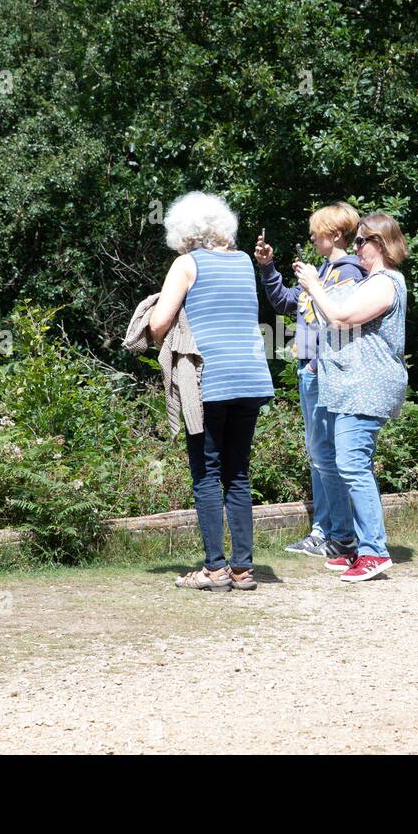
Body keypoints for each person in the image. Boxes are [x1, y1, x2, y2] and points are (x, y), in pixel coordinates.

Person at [149, 192, 274, 592]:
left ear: (183, 230)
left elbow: (158, 323)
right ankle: (242, 569)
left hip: (209, 382)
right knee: (238, 474)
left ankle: (214, 569)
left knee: (206, 474)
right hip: (251, 378)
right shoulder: (243, 263)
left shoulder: (186, 264)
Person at [293, 214, 408, 583]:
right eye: (356, 242)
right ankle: (359, 547)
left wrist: (314, 283)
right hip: (351, 387)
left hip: (367, 387)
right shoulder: (372, 280)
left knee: (354, 465)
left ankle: (374, 551)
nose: (356, 248)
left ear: (381, 243)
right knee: (349, 463)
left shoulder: (387, 283)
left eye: (361, 241)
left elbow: (340, 317)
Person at [253, 202, 367, 561]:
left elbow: (342, 324)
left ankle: (341, 535)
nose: (311, 235)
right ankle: (323, 531)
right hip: (310, 371)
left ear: (335, 234)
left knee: (326, 454)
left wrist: (317, 363)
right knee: (319, 455)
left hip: (323, 372)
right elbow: (286, 302)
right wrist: (268, 267)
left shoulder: (348, 272)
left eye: (316, 230)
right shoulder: (323, 270)